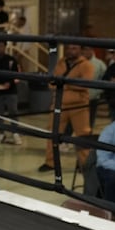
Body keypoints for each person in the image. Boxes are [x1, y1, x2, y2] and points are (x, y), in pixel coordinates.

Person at [39, 44, 94, 173]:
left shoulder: (86, 65)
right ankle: (50, 162)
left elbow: (85, 84)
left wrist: (64, 83)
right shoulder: (61, 63)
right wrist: (70, 82)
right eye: (69, 48)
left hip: (79, 105)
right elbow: (53, 82)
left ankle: (84, 164)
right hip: (59, 104)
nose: (71, 50)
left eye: (74, 48)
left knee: (83, 135)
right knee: (52, 133)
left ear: (80, 50)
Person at [96, 114, 115, 205]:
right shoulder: (108, 132)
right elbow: (104, 160)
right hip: (107, 167)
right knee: (114, 178)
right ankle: (110, 210)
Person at [81, 45, 107, 130]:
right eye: (84, 50)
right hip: (79, 97)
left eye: (88, 50)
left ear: (92, 50)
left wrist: (97, 92)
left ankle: (87, 139)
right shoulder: (79, 63)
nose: (86, 52)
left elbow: (105, 80)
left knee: (90, 120)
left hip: (93, 97)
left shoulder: (100, 64)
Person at [102, 49, 115, 122]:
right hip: (114, 102)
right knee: (114, 125)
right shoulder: (112, 67)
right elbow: (104, 80)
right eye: (114, 55)